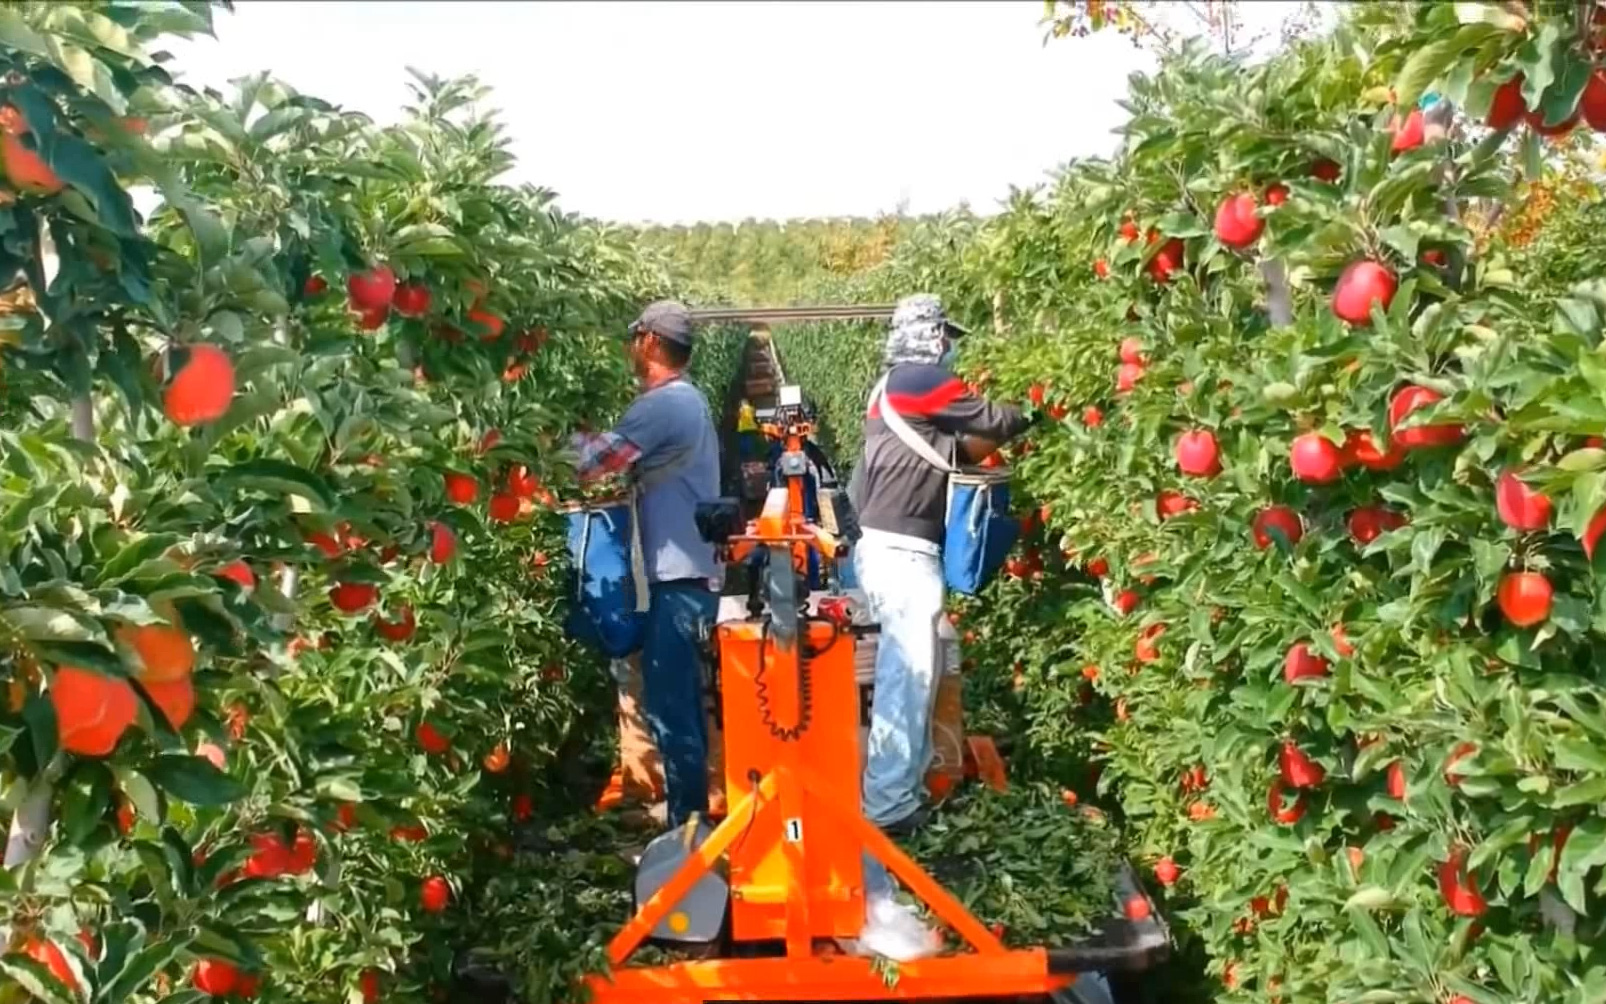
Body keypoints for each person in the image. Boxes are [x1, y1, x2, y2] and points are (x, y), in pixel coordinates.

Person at [849, 293, 1030, 838]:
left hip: (893, 548)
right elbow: (992, 418)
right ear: (928, 335)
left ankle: (905, 786)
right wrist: (1041, 407)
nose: (949, 346)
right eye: (944, 336)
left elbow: (955, 453)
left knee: (915, 672)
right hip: (901, 554)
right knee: (908, 674)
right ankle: (887, 805)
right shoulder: (917, 381)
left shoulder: (893, 390)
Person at [572, 300, 722, 830]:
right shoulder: (686, 401)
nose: (630, 347)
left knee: (671, 703)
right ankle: (692, 813)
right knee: (677, 699)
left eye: (635, 337)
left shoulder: (663, 406)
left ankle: (689, 824)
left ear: (652, 343)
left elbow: (591, 465)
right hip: (688, 570)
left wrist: (543, 433)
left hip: (678, 576)